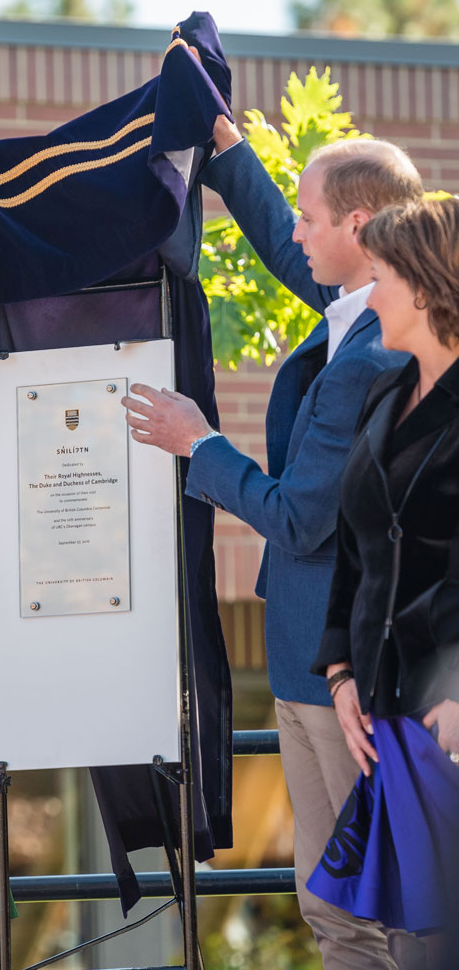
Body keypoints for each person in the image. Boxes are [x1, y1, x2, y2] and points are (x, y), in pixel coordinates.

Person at [122, 114, 423, 969]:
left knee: (371, 911)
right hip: (306, 660)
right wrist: (228, 153)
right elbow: (292, 256)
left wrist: (198, 443)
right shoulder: (363, 307)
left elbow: (296, 516)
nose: (297, 228)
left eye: (309, 213)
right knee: (333, 902)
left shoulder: (373, 357)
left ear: (358, 229)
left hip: (346, 681)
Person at [308, 197, 459, 969]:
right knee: (411, 933)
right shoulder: (384, 390)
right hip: (383, 706)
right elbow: (355, 544)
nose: (372, 292)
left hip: (447, 713)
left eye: (387, 275)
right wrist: (339, 668)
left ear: (429, 287)